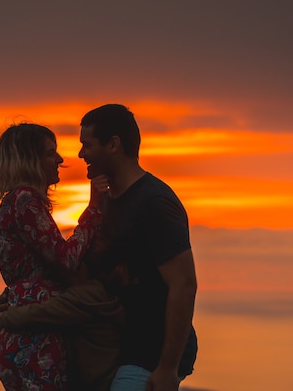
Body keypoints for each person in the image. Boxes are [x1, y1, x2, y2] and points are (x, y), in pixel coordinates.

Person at [78, 104, 198, 391]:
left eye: (87, 145)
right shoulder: (104, 202)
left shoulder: (154, 202)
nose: (81, 154)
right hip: (119, 345)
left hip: (149, 354)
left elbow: (184, 285)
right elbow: (83, 267)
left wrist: (167, 368)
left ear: (114, 144)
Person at [0, 123, 108, 391]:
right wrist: (93, 211)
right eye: (49, 153)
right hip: (37, 337)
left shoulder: (11, 203)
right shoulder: (25, 201)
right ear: (29, 160)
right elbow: (65, 259)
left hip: (20, 334)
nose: (60, 160)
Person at [0, 258, 125, 391]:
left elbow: (38, 313)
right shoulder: (90, 293)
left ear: (83, 268)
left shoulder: (86, 295)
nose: (62, 272)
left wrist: (1, 318)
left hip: (98, 385)